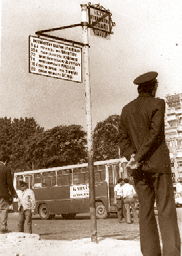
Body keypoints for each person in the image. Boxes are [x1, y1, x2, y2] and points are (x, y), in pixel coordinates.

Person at [119, 71, 181, 256]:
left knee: (145, 212)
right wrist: (138, 157)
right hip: (158, 166)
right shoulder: (158, 103)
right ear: (153, 87)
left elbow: (122, 140)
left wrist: (133, 157)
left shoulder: (126, 109)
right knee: (165, 210)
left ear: (139, 89)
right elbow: (155, 135)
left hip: (138, 170)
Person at [0, 154, 17, 233]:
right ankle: (3, 228)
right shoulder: (6, 169)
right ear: (6, 161)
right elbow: (9, 183)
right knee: (3, 209)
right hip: (2, 194)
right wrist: (14, 193)